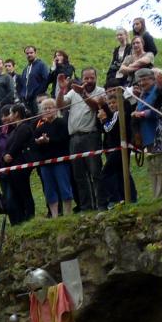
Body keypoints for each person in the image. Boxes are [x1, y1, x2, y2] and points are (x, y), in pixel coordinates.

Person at [57, 67, 104, 213]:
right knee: (79, 176)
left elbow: (96, 106)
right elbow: (60, 105)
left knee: (95, 172)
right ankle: (86, 207)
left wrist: (82, 93)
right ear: (82, 78)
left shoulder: (100, 91)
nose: (89, 81)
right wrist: (62, 89)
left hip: (90, 136)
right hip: (74, 138)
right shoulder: (73, 92)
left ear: (96, 77)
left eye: (91, 78)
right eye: (86, 78)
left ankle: (101, 204)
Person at [97, 86, 138, 208]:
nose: (111, 105)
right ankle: (130, 198)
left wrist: (103, 119)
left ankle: (115, 199)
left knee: (106, 174)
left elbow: (108, 128)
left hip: (119, 149)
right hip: (118, 148)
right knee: (122, 173)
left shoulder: (118, 114)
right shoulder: (117, 114)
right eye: (109, 103)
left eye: (114, 102)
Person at [33, 98, 73, 217]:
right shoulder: (40, 128)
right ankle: (55, 215)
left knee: (64, 186)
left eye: (50, 107)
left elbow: (64, 139)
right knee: (49, 190)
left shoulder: (62, 122)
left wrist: (49, 140)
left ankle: (67, 213)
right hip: (45, 163)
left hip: (60, 160)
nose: (48, 110)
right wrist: (39, 142)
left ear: (56, 109)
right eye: (45, 108)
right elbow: (35, 145)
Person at [1, 102, 37, 224]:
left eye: (11, 113)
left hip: (21, 163)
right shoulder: (15, 129)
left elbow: (17, 144)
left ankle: (30, 215)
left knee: (24, 190)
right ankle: (22, 216)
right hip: (13, 165)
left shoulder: (24, 127)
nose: (9, 116)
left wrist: (10, 154)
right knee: (17, 192)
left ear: (16, 114)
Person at [21, 46, 49, 115]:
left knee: (39, 119)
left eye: (31, 53)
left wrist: (37, 93)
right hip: (27, 101)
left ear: (35, 53)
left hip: (38, 98)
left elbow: (46, 80)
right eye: (27, 53)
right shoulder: (25, 69)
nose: (29, 55)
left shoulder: (41, 65)